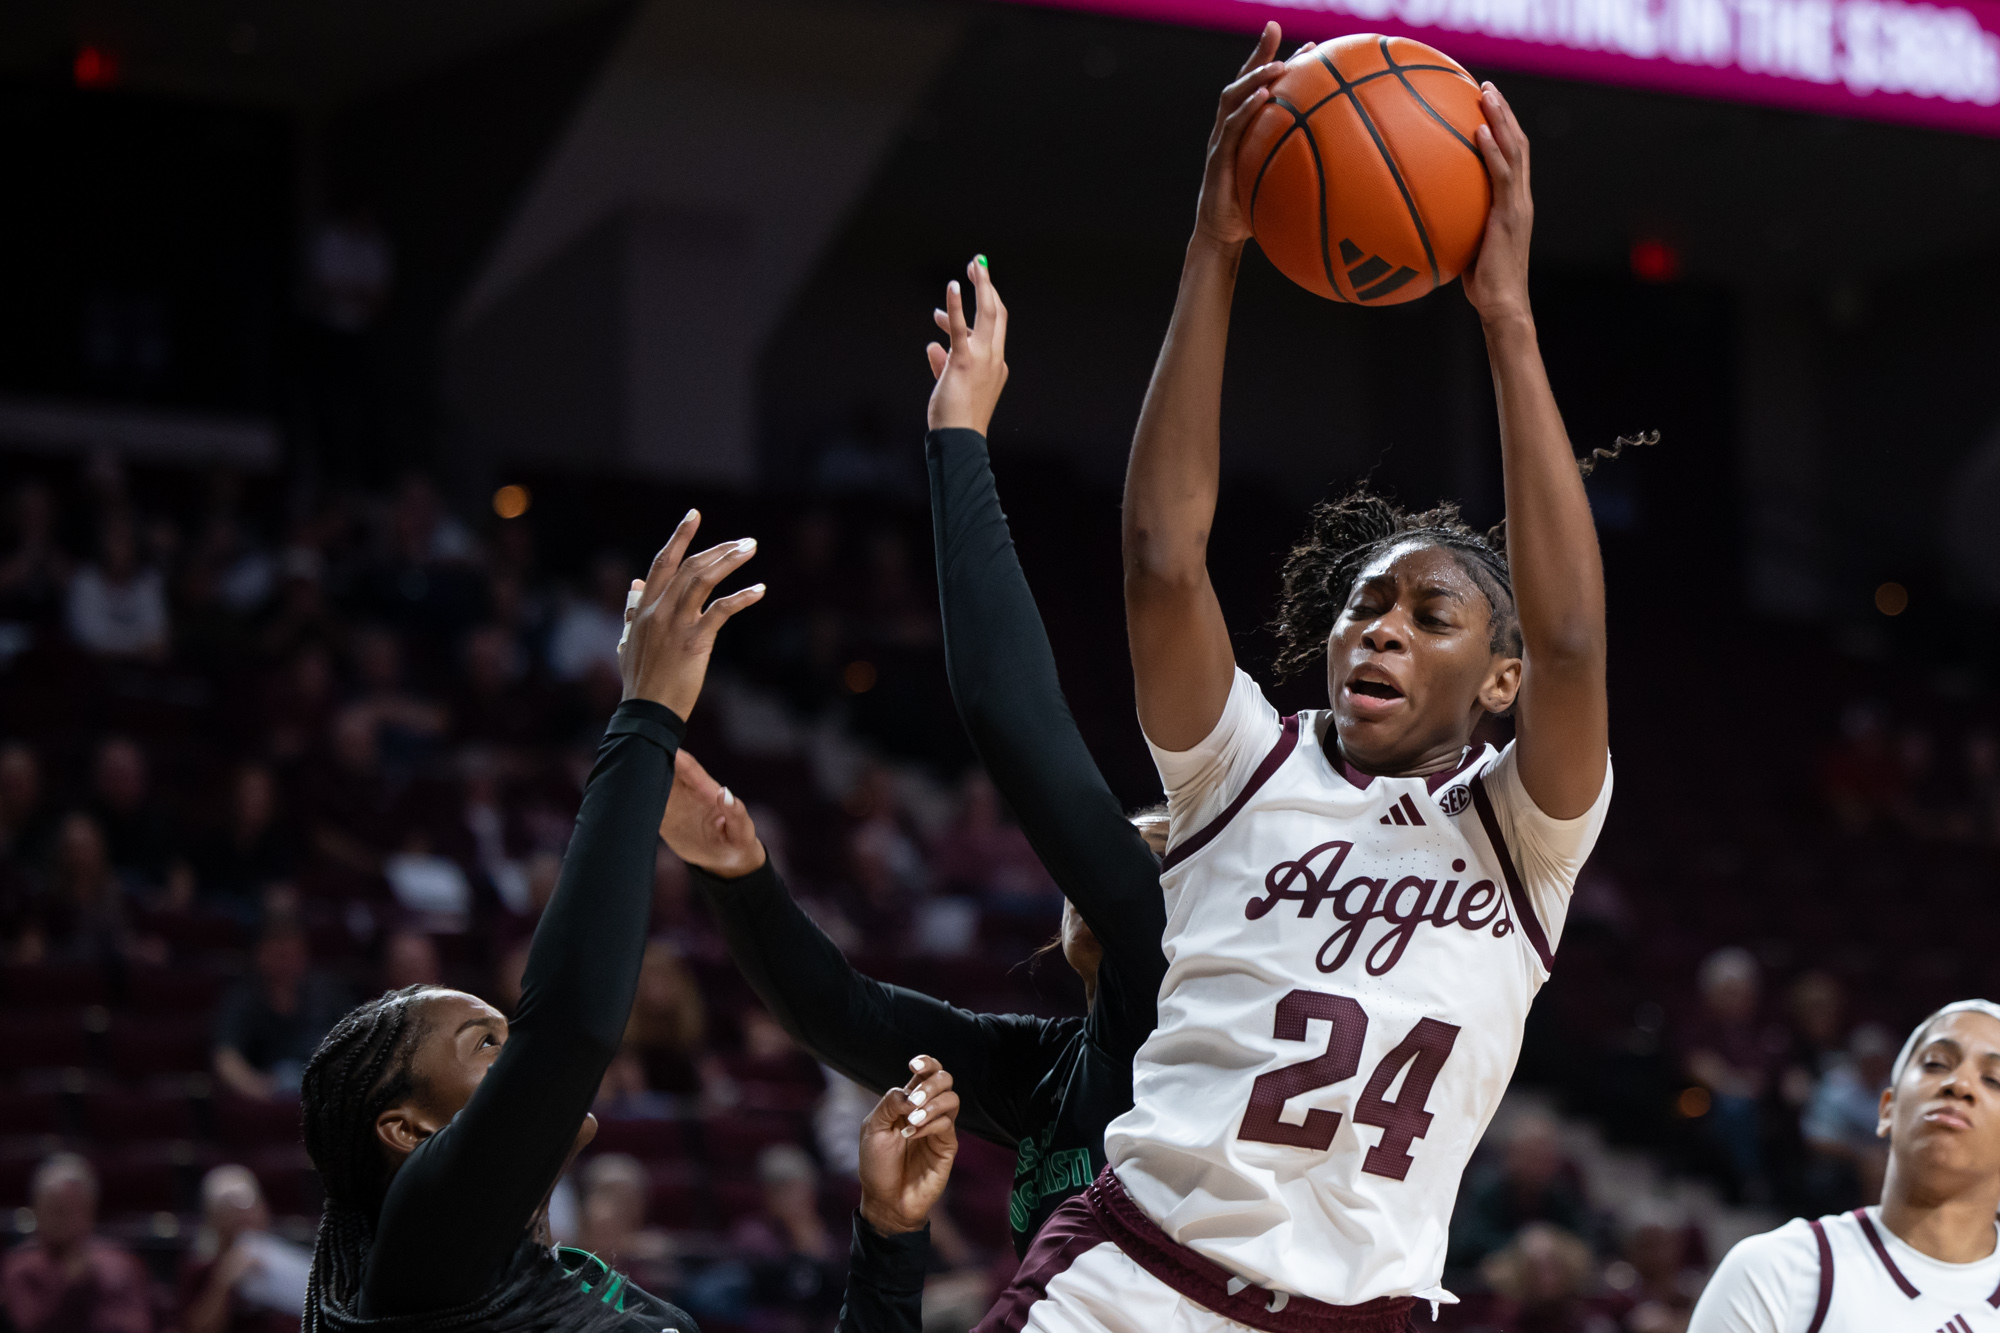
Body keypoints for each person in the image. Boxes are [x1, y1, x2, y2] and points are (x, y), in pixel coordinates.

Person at [984, 26, 1615, 1332]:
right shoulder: (1241, 767)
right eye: (1361, 606)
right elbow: (1163, 559)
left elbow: (1571, 643)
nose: (1376, 630)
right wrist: (1215, 250)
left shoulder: (1524, 837)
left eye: (1428, 614)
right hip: (1133, 1285)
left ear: (1498, 682)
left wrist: (1504, 314)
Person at [664, 252, 1165, 1259]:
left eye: (1139, 847)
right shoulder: (1044, 1070)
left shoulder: (1174, 998)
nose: (1105, 854)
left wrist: (957, 440)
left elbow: (1011, 712)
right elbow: (844, 1015)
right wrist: (740, 876)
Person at [296, 510, 760, 1333]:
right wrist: (648, 713)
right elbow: (571, 1026)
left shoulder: (567, 1277)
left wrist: (889, 1234)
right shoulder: (419, 1247)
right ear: (409, 1130)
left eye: (504, 1035)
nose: (517, 1055)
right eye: (487, 1044)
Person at [1689, 1000, 2000, 1332]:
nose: (1959, 1085)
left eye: (1994, 1079)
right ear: (1887, 1110)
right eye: (1936, 1063)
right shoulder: (1774, 1272)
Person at [0, 1153, 152, 1333]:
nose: (67, 1220)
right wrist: (74, 1283)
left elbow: (140, 1322)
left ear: (91, 1211)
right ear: (38, 1210)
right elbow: (32, 1326)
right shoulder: (21, 1267)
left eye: (76, 1210)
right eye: (58, 1210)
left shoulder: (120, 1262)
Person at [213, 916, 350, 1101]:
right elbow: (226, 1057)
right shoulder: (242, 998)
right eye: (278, 954)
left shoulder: (327, 991)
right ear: (260, 954)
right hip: (266, 1103)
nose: (285, 962)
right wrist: (260, 1090)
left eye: (291, 953)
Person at [177, 1164, 313, 1333]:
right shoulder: (200, 1266)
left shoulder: (286, 1260)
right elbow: (197, 1328)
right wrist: (223, 1281)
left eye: (249, 1209)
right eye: (230, 1211)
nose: (243, 1217)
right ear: (213, 1218)